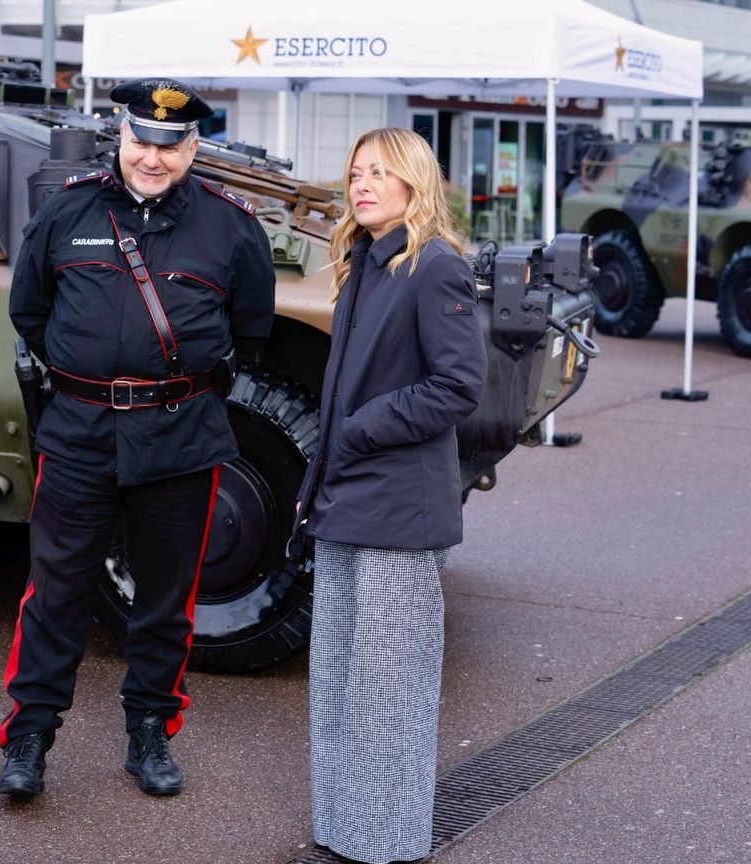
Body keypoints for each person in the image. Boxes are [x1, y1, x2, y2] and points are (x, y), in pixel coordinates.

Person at [0, 78, 275, 800]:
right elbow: (30, 309)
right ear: (119, 135)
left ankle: (149, 730)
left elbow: (251, 331)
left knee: (165, 598)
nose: (152, 157)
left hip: (180, 437)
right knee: (55, 592)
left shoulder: (231, 226)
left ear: (193, 147)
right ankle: (29, 735)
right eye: (140, 141)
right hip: (80, 432)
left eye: (169, 145)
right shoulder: (68, 212)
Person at [294, 128, 486, 862]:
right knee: (342, 679)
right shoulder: (365, 261)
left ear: (413, 181)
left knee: (388, 690)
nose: (362, 183)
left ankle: (384, 841)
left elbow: (458, 385)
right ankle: (343, 828)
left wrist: (367, 427)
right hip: (349, 496)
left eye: (379, 172)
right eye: (355, 172)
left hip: (400, 509)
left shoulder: (433, 266)